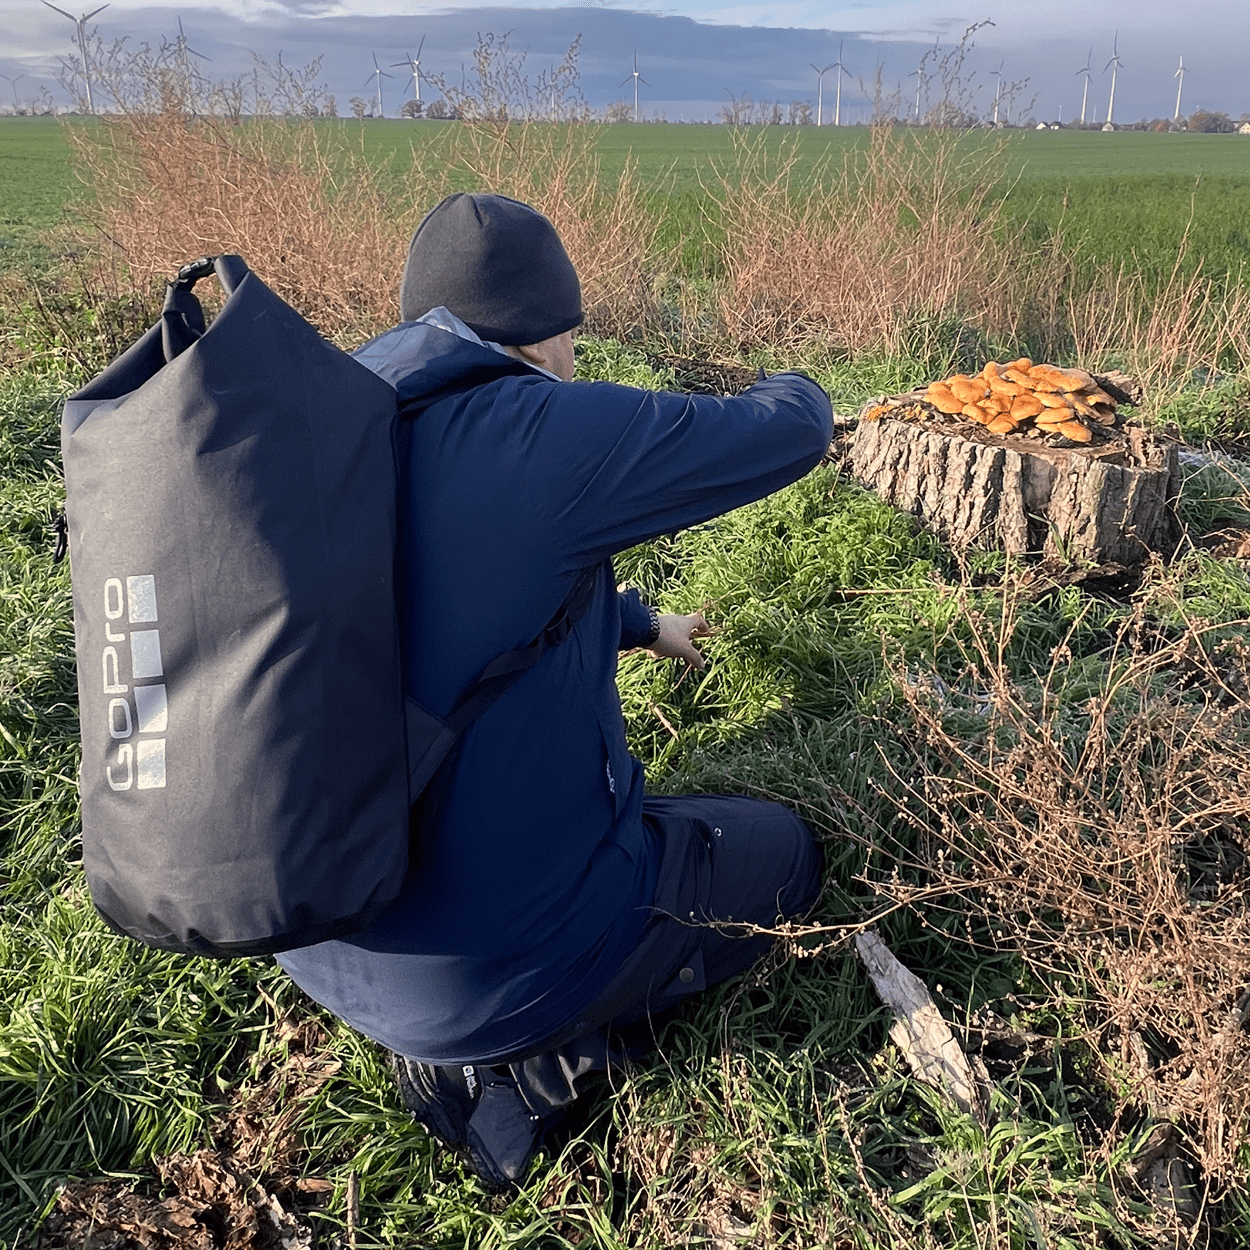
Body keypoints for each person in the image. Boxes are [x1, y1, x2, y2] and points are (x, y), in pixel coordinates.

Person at [276, 193, 834, 1188]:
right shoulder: (538, 427)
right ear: (550, 335)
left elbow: (467, 593)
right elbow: (778, 433)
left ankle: (462, 1013)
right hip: (480, 975)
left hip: (310, 926)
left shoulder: (333, 418)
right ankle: (529, 1057)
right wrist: (801, 381)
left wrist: (641, 625)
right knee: (784, 857)